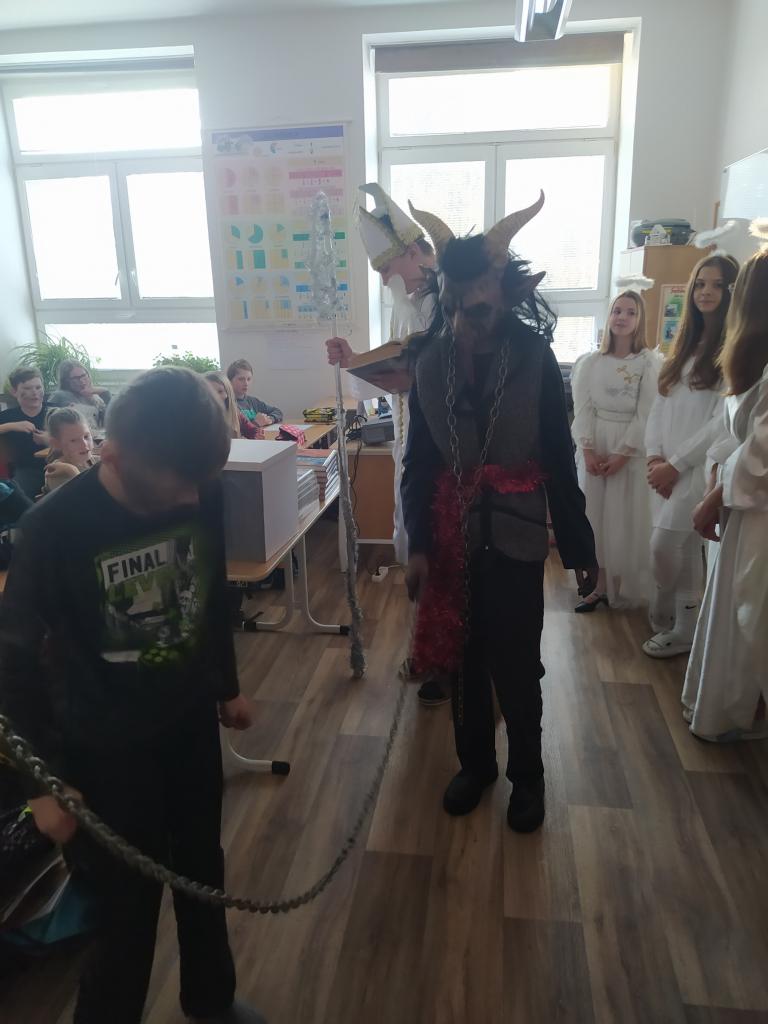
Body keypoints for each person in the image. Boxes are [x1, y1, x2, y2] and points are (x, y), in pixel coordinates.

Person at [0, 367, 265, 1024]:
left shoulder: (198, 485)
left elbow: (210, 594)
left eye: (197, 486)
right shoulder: (52, 530)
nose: (190, 501)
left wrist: (226, 684)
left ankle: (210, 998)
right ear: (111, 457)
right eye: (173, 491)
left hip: (186, 719)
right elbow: (13, 667)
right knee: (125, 911)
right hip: (103, 748)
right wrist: (43, 786)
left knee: (203, 867)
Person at [401, 194, 597, 833]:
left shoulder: (535, 360)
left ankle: (528, 777)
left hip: (515, 540)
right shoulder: (430, 364)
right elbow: (419, 462)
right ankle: (476, 765)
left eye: (477, 310)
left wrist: (580, 548)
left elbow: (559, 459)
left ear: (506, 297)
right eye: (451, 308)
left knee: (516, 665)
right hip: (452, 539)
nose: (462, 324)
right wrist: (419, 545)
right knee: (463, 663)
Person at [325, 184, 446, 707]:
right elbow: (398, 368)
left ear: (416, 252)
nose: (382, 280)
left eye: (387, 268)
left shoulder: (449, 301)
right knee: (414, 542)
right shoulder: (407, 304)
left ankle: (445, 659)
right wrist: (355, 360)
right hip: (409, 438)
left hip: (444, 450)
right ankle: (427, 645)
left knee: (439, 549)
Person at [681, 249, 768, 741]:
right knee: (734, 607)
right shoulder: (753, 361)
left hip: (757, 514)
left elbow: (758, 461)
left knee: (747, 613)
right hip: (743, 504)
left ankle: (738, 709)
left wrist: (712, 495)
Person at [643, 253, 739, 658]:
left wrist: (676, 464)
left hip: (697, 469)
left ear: (733, 291)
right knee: (679, 548)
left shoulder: (735, 351)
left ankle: (673, 612)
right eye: (700, 284)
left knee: (665, 545)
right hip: (665, 468)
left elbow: (721, 422)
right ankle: (684, 626)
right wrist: (654, 458)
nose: (706, 292)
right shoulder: (682, 347)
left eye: (717, 285)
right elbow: (659, 406)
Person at [570, 291, 659, 610]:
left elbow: (646, 412)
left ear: (639, 320)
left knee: (622, 517)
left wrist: (623, 454)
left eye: (630, 312)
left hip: (629, 447)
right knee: (595, 516)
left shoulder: (647, 363)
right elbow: (583, 408)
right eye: (617, 311)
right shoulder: (590, 362)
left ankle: (620, 586)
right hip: (596, 441)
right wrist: (588, 450)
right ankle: (600, 585)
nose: (622, 317)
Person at [0, 366, 50, 498]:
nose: (34, 393)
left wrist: (50, 439)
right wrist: (11, 426)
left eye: (38, 387)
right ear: (14, 391)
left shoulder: (55, 412)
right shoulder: (8, 416)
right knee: (17, 495)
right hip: (26, 470)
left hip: (59, 464)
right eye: (27, 388)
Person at [43, 406, 96, 494]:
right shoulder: (56, 473)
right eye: (73, 441)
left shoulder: (91, 461)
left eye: (86, 436)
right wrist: (72, 471)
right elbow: (89, 499)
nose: (84, 444)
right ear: (56, 444)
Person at [49, 360, 111, 433]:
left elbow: (111, 420)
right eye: (76, 378)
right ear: (66, 381)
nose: (82, 381)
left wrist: (104, 392)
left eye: (83, 375)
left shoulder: (96, 397)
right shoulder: (60, 396)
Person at [205, 371, 264, 440]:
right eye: (210, 392)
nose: (214, 396)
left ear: (227, 393)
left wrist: (248, 440)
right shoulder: (200, 417)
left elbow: (254, 431)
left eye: (220, 391)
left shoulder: (236, 413)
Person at [226, 359, 282, 426]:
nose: (246, 383)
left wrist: (269, 419)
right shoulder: (227, 404)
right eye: (241, 379)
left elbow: (277, 411)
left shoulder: (253, 401)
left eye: (249, 379)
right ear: (229, 381)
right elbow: (234, 429)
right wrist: (256, 423)